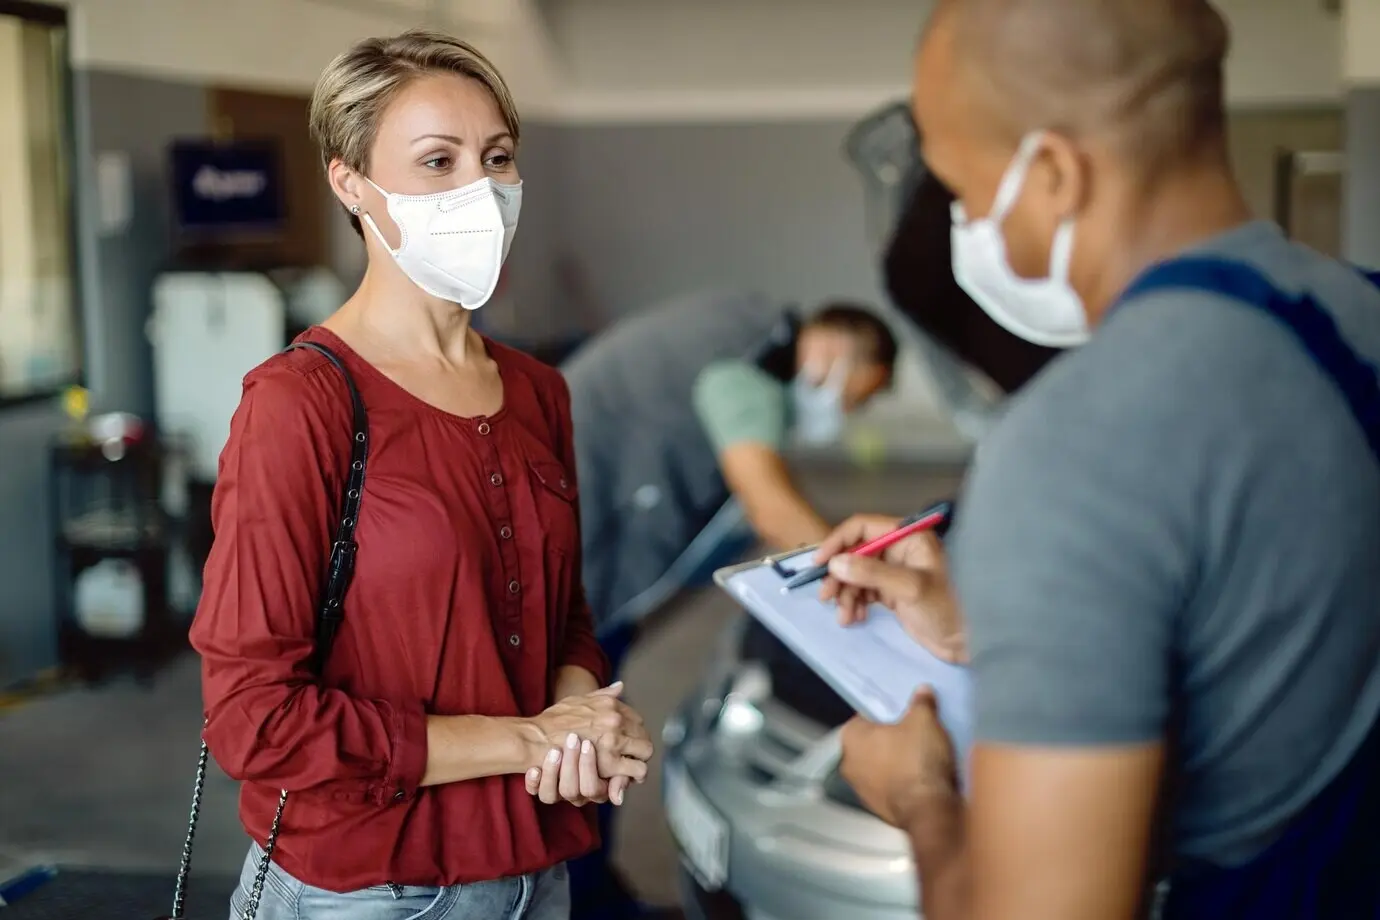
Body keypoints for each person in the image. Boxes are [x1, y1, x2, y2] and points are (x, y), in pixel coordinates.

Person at [813, 1, 1380, 919]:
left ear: (1053, 175)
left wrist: (917, 794)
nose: (962, 227)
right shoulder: (1356, 314)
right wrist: (977, 630)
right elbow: (1268, 623)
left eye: (960, 189)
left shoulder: (1073, 443)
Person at [191, 30, 654, 920]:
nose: (478, 190)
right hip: (364, 887)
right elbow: (256, 718)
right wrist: (527, 740)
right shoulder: (300, 405)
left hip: (533, 874)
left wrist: (580, 717)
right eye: (437, 161)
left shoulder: (537, 392)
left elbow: (564, 620)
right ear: (350, 183)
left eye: (497, 158)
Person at [553, 291, 898, 916]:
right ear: (833, 352)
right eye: (857, 396)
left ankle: (597, 899)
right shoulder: (751, 363)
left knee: (592, 748)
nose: (846, 415)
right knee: (583, 749)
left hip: (586, 580)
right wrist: (874, 595)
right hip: (557, 574)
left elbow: (733, 527)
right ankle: (586, 906)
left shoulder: (742, 337)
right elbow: (769, 505)